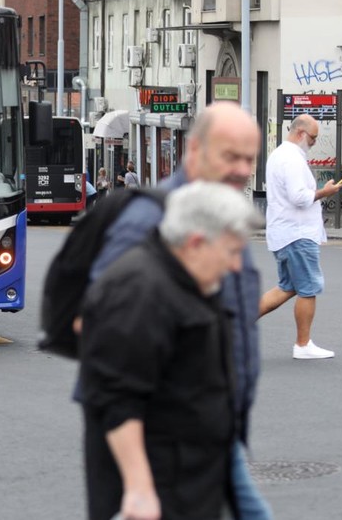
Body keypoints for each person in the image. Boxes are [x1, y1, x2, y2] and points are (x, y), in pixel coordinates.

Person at [80, 102, 271, 519]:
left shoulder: (222, 213)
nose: (242, 168)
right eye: (230, 155)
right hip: (161, 442)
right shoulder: (149, 219)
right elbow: (107, 342)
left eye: (249, 158)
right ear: (195, 150)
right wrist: (137, 481)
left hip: (211, 432)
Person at [259, 114, 342, 360]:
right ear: (300, 133)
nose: (315, 142)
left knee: (287, 287)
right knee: (308, 288)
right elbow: (299, 197)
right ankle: (303, 344)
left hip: (284, 232)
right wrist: (324, 192)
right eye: (313, 137)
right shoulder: (292, 159)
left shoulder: (279, 155)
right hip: (297, 233)